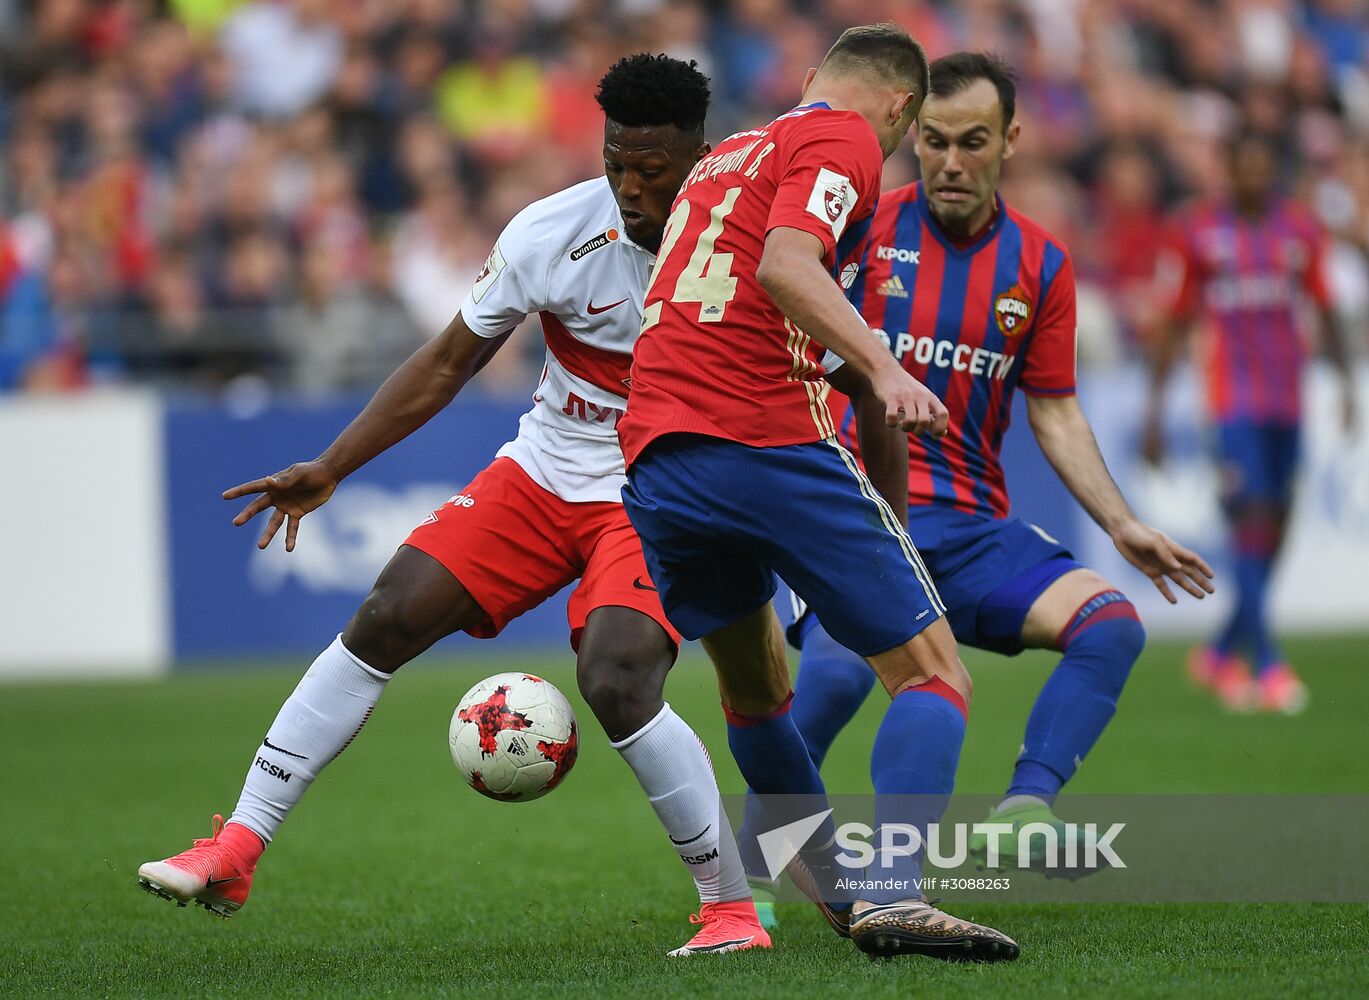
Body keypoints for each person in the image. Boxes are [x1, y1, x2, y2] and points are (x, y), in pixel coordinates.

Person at [137, 53, 772, 959]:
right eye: (614, 163)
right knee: (386, 615)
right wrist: (333, 466)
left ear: (698, 155)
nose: (630, 188)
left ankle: (730, 909)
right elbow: (445, 363)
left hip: (662, 491)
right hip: (548, 471)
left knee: (617, 677)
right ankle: (237, 845)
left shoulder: (751, 245)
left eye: (652, 171)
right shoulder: (550, 233)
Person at [732, 53, 1214, 928]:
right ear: (910, 135)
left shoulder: (1041, 265)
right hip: (859, 518)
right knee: (835, 685)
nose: (950, 161)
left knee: (1109, 622)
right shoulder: (861, 230)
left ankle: (1025, 806)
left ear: (1012, 142)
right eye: (933, 141)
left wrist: (1122, 522)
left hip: (972, 527)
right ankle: (749, 883)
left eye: (972, 142)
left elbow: (1057, 415)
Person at [618, 24, 1018, 962]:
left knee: (756, 696)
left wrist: (854, 370)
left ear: (809, 80)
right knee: (931, 671)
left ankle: (841, 903)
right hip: (760, 433)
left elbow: (765, 303)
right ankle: (896, 893)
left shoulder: (730, 157)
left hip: (658, 454)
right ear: (899, 110)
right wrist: (885, 367)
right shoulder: (839, 139)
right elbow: (786, 269)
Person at [1144, 131, 1357, 714]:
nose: (1252, 180)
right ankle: (1267, 663)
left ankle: (1216, 653)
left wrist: (1344, 385)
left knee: (1277, 530)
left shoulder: (1300, 230)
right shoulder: (1197, 232)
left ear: (1274, 171)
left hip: (1289, 401)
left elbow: (1326, 306)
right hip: (1231, 401)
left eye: (1262, 169)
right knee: (1252, 521)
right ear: (1226, 171)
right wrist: (1156, 412)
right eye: (1242, 169)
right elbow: (1173, 322)